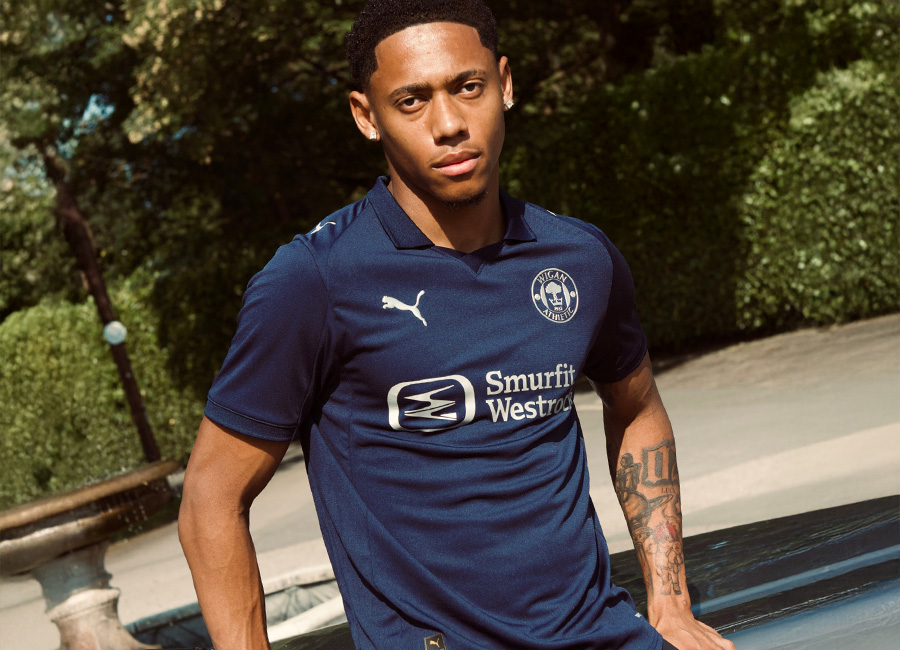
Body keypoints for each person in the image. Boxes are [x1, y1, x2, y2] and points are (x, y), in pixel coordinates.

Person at [178, 2, 737, 649]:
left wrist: (670, 601)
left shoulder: (580, 257)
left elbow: (637, 408)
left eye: (467, 87)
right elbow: (210, 498)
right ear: (367, 116)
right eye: (411, 101)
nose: (448, 124)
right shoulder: (315, 280)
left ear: (504, 84)